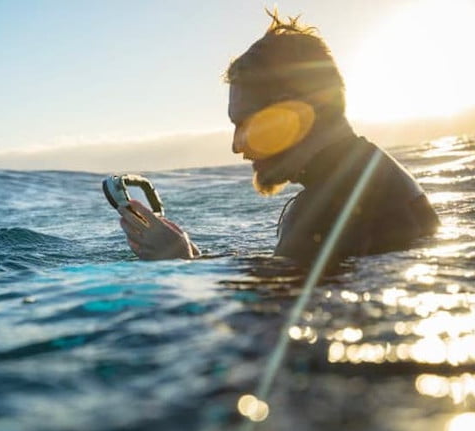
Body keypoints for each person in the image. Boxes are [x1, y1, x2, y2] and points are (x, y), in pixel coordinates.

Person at [118, 11, 439, 267]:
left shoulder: (324, 211)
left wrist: (180, 263)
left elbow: (267, 322)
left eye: (243, 124)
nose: (236, 146)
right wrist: (192, 255)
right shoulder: (373, 174)